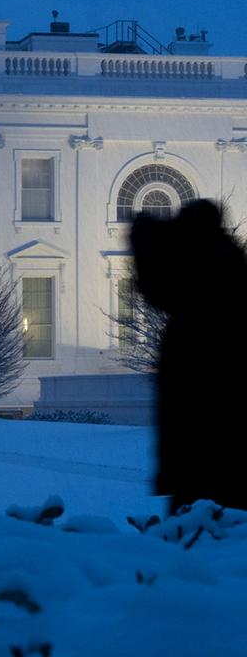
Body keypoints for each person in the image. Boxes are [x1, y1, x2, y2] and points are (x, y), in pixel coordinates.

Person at [130, 198, 247, 514]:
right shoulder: (230, 261)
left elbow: (156, 287)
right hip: (227, 445)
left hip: (195, 446)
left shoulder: (197, 277)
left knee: (197, 514)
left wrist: (144, 237)